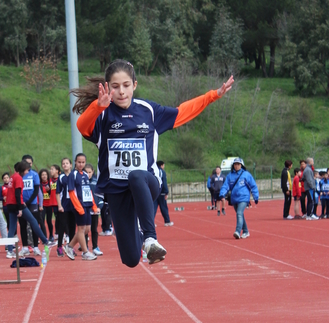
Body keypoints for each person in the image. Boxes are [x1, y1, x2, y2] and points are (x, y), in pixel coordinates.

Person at [74, 59, 234, 267]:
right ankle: (140, 240)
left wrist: (213, 95)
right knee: (131, 259)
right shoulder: (102, 114)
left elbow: (182, 112)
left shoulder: (148, 110)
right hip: (116, 190)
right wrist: (97, 106)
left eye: (126, 85)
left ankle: (150, 238)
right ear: (107, 87)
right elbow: (82, 126)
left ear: (135, 85)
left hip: (146, 182)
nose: (121, 92)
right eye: (115, 86)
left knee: (136, 174)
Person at [5, 161, 49, 262]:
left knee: (12, 227)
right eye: (26, 169)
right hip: (17, 204)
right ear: (22, 170)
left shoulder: (12, 176)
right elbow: (17, 193)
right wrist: (20, 207)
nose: (27, 171)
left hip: (10, 204)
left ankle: (10, 250)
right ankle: (45, 240)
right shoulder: (19, 178)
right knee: (33, 221)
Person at [63, 153, 98, 261]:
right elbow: (71, 192)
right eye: (79, 162)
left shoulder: (85, 175)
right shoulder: (73, 175)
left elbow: (89, 191)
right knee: (81, 229)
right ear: (75, 162)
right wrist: (78, 207)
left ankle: (69, 247)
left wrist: (93, 205)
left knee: (87, 229)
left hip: (87, 205)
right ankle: (85, 252)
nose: (81, 164)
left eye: (83, 162)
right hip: (79, 206)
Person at [218, 158, 259, 239]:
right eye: (235, 164)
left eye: (238, 164)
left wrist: (256, 197)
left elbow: (253, 186)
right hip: (234, 198)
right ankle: (246, 231)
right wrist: (222, 194)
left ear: (241, 165)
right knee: (240, 215)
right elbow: (225, 186)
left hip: (244, 198)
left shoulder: (246, 175)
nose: (237, 166)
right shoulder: (230, 176)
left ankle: (237, 231)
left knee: (239, 213)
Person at [56, 157, 76, 257]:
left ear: (71, 165)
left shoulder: (75, 175)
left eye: (67, 163)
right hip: (64, 204)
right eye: (63, 164)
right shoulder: (61, 177)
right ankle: (59, 246)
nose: (65, 165)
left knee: (72, 226)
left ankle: (70, 247)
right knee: (62, 226)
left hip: (74, 203)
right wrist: (59, 205)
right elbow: (57, 193)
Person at [86, 163, 103, 255]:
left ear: (93, 172)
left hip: (95, 210)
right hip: (85, 210)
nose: (88, 174)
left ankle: (95, 247)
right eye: (86, 172)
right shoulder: (81, 182)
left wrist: (100, 207)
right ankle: (85, 247)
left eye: (89, 172)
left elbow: (100, 196)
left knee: (94, 229)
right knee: (85, 229)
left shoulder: (96, 182)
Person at [154, 160, 174, 225]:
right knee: (164, 207)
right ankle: (167, 221)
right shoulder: (162, 172)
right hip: (161, 192)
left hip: (154, 192)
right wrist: (166, 192)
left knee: (153, 208)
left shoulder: (153, 171)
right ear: (162, 165)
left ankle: (151, 222)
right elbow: (164, 182)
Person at [39, 168, 56, 243]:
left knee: (49, 221)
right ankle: (44, 237)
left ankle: (51, 235)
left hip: (49, 204)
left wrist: (49, 190)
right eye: (42, 175)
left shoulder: (50, 183)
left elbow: (54, 192)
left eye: (45, 174)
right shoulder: (39, 184)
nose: (44, 176)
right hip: (42, 205)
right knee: (42, 221)